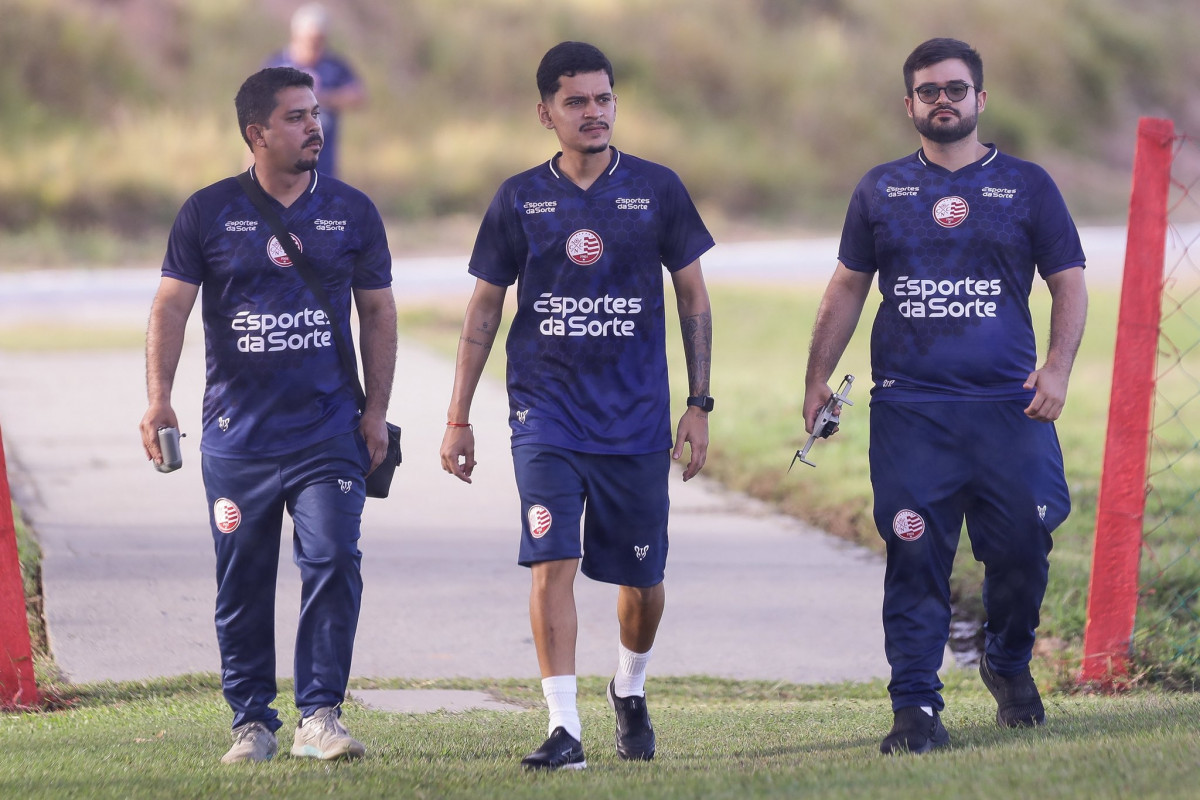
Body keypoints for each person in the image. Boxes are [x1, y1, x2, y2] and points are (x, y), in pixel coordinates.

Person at [802, 37, 1087, 755]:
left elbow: (1069, 282)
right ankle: (916, 707)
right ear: (910, 105)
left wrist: (1056, 368)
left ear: (979, 98)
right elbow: (846, 286)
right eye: (928, 91)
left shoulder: (1027, 185)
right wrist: (815, 377)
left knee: (1023, 545)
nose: (943, 101)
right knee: (914, 551)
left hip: (1009, 408)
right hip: (912, 410)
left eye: (956, 89)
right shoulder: (880, 189)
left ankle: (1008, 660)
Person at [439, 41, 715, 770]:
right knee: (551, 559)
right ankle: (564, 729)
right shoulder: (519, 198)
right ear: (546, 113)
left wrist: (699, 404)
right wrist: (458, 416)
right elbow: (483, 309)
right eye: (576, 102)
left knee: (642, 584)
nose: (593, 113)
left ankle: (629, 686)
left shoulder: (656, 189)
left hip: (634, 420)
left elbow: (692, 296)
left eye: (603, 99)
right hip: (546, 414)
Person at [139, 66, 397, 765]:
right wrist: (159, 397)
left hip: (328, 430)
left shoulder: (351, 210)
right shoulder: (208, 212)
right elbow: (170, 306)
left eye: (315, 113)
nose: (316, 125)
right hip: (238, 438)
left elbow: (378, 312)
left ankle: (321, 715)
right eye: (297, 116)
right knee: (243, 580)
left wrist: (376, 411)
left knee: (334, 559)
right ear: (257, 133)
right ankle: (251, 722)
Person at [262, 3, 366, 178]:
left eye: (320, 40)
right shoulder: (278, 64)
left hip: (322, 164)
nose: (315, 45)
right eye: (310, 40)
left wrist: (320, 99)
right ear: (296, 36)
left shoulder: (333, 66)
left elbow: (358, 96)